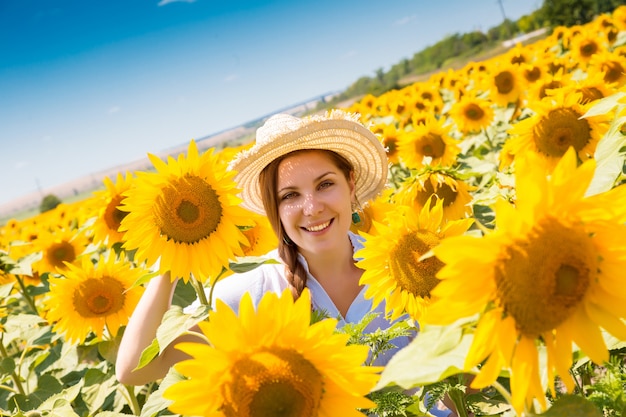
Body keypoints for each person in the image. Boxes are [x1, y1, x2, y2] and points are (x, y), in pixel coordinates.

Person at [115, 110, 412, 387]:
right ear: (274, 210)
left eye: (325, 185)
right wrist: (172, 251)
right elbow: (135, 369)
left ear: (351, 184)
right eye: (290, 195)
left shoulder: (407, 264)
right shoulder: (251, 293)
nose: (311, 208)